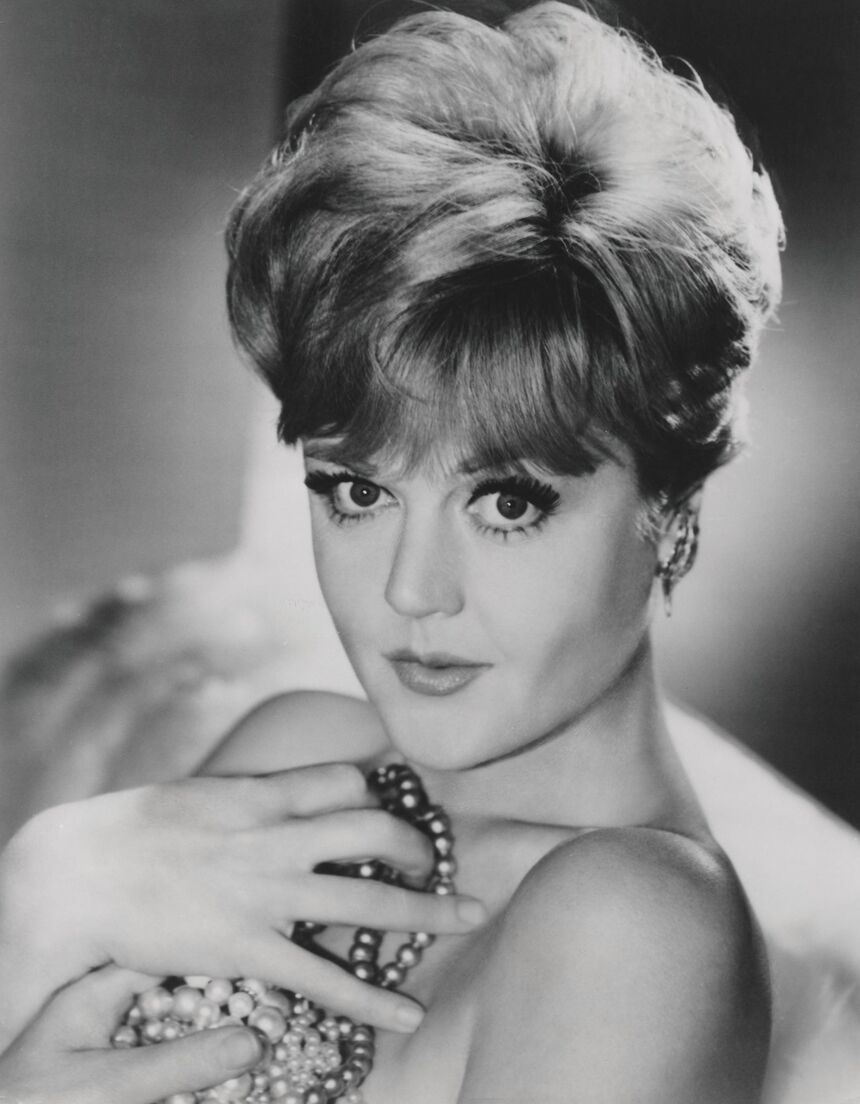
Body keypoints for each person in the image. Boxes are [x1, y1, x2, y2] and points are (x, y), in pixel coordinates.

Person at [0, 3, 787, 1101]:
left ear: (673, 505)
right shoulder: (292, 756)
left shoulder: (638, 921)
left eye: (506, 503)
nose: (410, 592)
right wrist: (34, 898)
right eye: (358, 491)